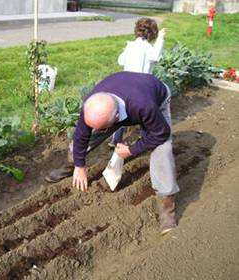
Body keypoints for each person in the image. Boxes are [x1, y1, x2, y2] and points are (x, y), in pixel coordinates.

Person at [46, 71, 179, 235]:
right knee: (87, 138)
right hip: (121, 100)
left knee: (162, 150)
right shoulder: (93, 104)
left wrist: (132, 150)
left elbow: (161, 133)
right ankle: (69, 166)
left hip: (155, 98)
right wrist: (80, 165)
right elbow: (81, 134)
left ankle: (167, 210)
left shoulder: (144, 105)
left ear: (118, 118)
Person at [111, 18, 167, 146]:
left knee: (122, 110)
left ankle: (115, 139)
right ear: (153, 34)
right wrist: (161, 39)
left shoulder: (130, 45)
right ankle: (145, 138)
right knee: (143, 111)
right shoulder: (147, 48)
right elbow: (156, 56)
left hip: (125, 83)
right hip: (140, 85)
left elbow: (121, 61)